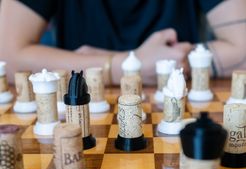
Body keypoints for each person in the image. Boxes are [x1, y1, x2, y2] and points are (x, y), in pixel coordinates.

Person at [0, 0, 245, 85]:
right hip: (80, 108)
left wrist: (177, 61)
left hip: (176, 104)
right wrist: (124, 66)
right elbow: (6, 55)